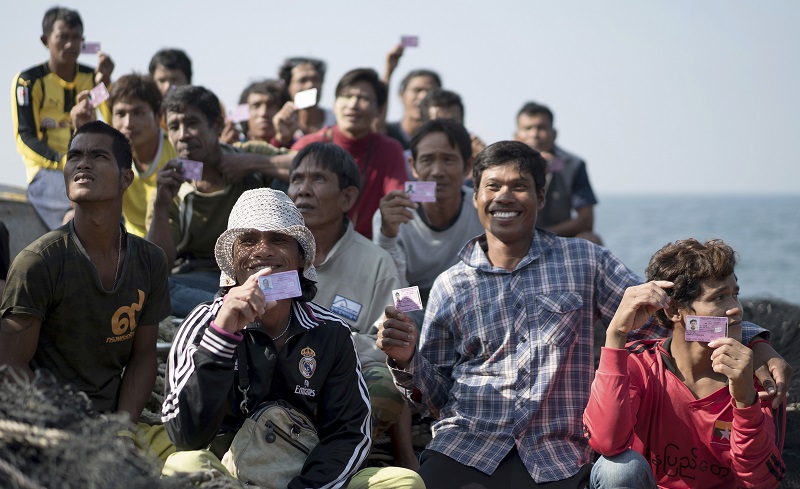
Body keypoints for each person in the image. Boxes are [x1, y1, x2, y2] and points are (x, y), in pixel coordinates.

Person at [376, 141, 790, 488]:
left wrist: (754, 341)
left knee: (621, 471)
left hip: (558, 453)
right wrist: (408, 359)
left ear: (540, 196)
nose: (504, 196)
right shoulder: (451, 284)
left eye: (519, 186)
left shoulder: (585, 262)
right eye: (492, 186)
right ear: (477, 195)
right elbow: (436, 398)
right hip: (468, 446)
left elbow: (666, 310)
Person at [160, 188, 423, 489]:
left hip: (310, 479)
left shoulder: (330, 331)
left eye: (278, 239)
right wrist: (222, 336)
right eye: (248, 240)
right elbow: (186, 435)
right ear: (231, 261)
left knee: (404, 482)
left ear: (300, 258)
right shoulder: (203, 324)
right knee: (183, 464)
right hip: (228, 478)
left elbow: (349, 434)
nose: (263, 251)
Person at [0, 121, 173, 461]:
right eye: (75, 155)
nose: (83, 163)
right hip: (48, 425)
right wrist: (74, 432)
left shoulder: (150, 261)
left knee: (192, 465)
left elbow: (143, 357)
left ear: (127, 177)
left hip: (118, 420)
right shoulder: (37, 263)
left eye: (98, 155)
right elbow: (10, 368)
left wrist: (122, 429)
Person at [584, 239, 786, 488]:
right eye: (719, 298)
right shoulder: (639, 365)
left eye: (735, 295)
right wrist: (615, 335)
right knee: (616, 470)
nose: (735, 308)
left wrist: (746, 402)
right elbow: (607, 442)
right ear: (675, 311)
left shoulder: (757, 375)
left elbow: (762, 481)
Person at [287, 142, 418, 469]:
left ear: (347, 197)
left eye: (317, 179)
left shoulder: (379, 263)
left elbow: (394, 350)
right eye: (296, 179)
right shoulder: (273, 254)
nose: (303, 190)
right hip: (280, 380)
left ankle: (332, 467)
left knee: (383, 382)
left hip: (340, 388)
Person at [146, 85, 289, 317]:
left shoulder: (246, 154)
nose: (182, 135)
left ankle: (235, 308)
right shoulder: (169, 185)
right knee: (154, 287)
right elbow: (158, 266)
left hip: (258, 271)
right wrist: (161, 206)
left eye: (192, 123)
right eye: (174, 126)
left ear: (218, 126)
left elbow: (305, 165)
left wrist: (251, 162)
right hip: (203, 280)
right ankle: (235, 308)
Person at [12, 6, 114, 230]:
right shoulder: (29, 82)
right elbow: (25, 137)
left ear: (83, 41)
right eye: (63, 37)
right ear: (46, 40)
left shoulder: (91, 77)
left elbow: (112, 122)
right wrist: (64, 161)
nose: (70, 44)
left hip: (89, 166)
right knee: (80, 213)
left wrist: (106, 83)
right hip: (47, 173)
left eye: (76, 37)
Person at [372, 119, 483, 306]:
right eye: (427, 160)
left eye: (448, 160)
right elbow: (394, 289)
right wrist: (387, 236)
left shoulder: (481, 210)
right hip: (412, 306)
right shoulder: (393, 214)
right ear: (413, 167)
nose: (437, 171)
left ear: (467, 166)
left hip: (468, 305)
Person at [292, 68, 406, 239]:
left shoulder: (389, 149)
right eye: (346, 96)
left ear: (380, 110)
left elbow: (397, 197)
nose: (352, 104)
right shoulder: (309, 145)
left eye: (363, 98)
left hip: (367, 248)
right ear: (335, 104)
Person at [71, 73, 175, 237]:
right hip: (132, 245)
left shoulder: (177, 149)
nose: (128, 123)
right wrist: (82, 135)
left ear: (158, 117)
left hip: (174, 240)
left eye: (138, 112)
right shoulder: (107, 157)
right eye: (120, 114)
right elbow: (82, 204)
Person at [514, 101, 602, 244]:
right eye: (528, 128)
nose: (534, 134)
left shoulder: (572, 165)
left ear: (554, 134)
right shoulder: (502, 166)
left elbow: (586, 220)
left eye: (541, 128)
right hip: (513, 236)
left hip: (556, 237)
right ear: (516, 135)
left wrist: (541, 235)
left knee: (591, 239)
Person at [418, 87, 486, 176]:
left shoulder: (477, 156)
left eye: (452, 123)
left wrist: (483, 164)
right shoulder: (404, 160)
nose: (437, 172)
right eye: (439, 124)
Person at [384, 68, 441, 152]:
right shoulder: (387, 132)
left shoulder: (442, 140)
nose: (423, 96)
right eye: (417, 90)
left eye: (429, 92)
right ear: (402, 95)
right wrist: (388, 72)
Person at [278, 57, 335, 138]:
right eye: (302, 80)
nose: (310, 85)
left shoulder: (337, 120)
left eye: (315, 79)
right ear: (288, 87)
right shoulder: (280, 122)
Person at [238, 79, 297, 148]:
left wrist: (282, 141)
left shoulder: (299, 147)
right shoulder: (234, 151)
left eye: (271, 105)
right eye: (256, 106)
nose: (263, 113)